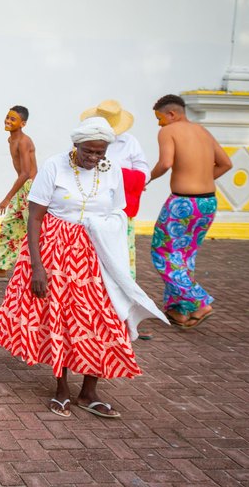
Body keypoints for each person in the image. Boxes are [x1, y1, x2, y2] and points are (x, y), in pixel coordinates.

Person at [0, 117, 159, 419]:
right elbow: (35, 217)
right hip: (56, 252)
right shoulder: (54, 166)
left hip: (97, 255)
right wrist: (37, 267)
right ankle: (62, 389)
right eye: (88, 151)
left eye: (100, 153)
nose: (93, 158)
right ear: (76, 145)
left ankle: (89, 391)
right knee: (62, 319)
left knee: (102, 319)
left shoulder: (112, 172)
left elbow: (119, 212)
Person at [148, 94, 233, 329]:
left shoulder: (169, 131)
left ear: (172, 114)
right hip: (207, 203)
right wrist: (203, 179)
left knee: (163, 253)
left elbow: (165, 163)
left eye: (160, 118)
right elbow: (226, 163)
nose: (159, 124)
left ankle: (199, 301)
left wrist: (147, 178)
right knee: (184, 256)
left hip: (182, 203)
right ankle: (179, 311)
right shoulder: (202, 131)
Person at [81, 100, 153, 339]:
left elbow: (144, 173)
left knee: (120, 261)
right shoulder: (85, 139)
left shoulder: (129, 142)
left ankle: (123, 312)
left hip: (115, 213)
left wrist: (114, 171)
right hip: (88, 212)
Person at [0, 105, 37, 280]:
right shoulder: (11, 140)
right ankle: (1, 268)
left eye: (12, 119)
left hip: (31, 189)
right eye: (7, 117)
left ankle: (40, 268)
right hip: (24, 188)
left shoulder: (24, 141)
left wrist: (7, 198)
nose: (8, 121)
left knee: (35, 230)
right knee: (10, 226)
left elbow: (25, 173)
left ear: (22, 124)